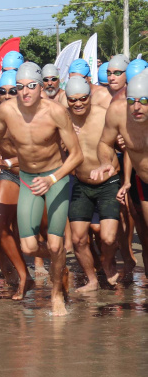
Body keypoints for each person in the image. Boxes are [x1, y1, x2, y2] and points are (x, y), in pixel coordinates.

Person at [0, 62, 83, 316]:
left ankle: (57, 293)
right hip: (27, 177)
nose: (25, 92)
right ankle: (59, 263)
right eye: (20, 87)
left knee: (57, 243)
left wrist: (52, 178)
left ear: (40, 88)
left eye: (31, 86)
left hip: (55, 178)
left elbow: (77, 155)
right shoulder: (8, 111)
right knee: (29, 247)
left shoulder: (56, 112)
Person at [64, 77, 120, 292]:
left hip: (108, 181)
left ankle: (107, 261)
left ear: (90, 96)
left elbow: (124, 137)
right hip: (81, 182)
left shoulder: (105, 115)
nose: (78, 104)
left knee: (107, 237)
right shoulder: (63, 119)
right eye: (73, 100)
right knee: (78, 239)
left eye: (83, 99)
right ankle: (92, 280)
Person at [0, 70, 33, 299]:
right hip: (9, 174)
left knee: (41, 236)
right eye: (1, 92)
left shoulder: (35, 115)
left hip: (35, 175)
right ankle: (24, 277)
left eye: (12, 91)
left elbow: (38, 154)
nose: (6, 96)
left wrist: (5, 161)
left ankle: (59, 267)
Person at [92, 73, 148, 270]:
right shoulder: (118, 112)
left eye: (143, 101)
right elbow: (105, 142)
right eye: (132, 101)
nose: (137, 107)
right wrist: (105, 161)